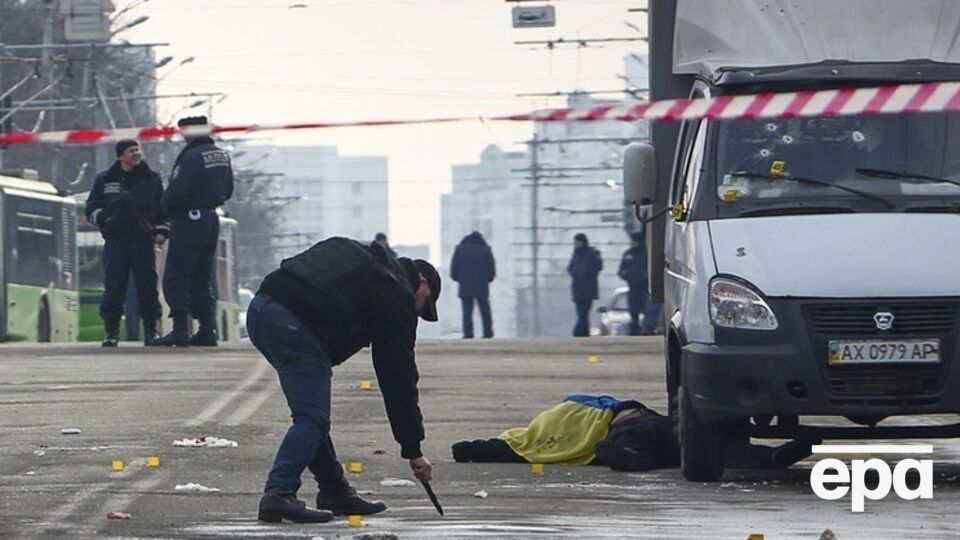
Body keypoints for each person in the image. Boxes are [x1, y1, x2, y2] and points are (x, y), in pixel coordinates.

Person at [249, 237, 441, 523]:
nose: (418, 312)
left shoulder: (364, 260)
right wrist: (413, 449)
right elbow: (397, 373)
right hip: (295, 325)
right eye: (424, 304)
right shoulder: (396, 289)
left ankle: (334, 490)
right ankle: (279, 493)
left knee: (311, 415)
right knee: (312, 419)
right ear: (421, 281)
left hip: (261, 311)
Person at [152, 116, 234, 347]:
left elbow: (177, 192)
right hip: (211, 218)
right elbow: (228, 190)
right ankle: (207, 329)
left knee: (177, 275)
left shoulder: (192, 156)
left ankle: (180, 330)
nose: (182, 136)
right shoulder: (221, 155)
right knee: (202, 276)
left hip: (189, 219)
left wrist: (164, 209)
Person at [85, 139, 167, 347]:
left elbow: (162, 209)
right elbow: (91, 208)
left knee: (148, 287)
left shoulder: (151, 179)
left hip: (142, 241)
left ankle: (151, 331)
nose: (136, 154)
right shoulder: (105, 179)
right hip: (117, 241)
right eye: (131, 151)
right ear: (120, 156)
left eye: (138, 150)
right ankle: (111, 331)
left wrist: (162, 231)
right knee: (114, 286)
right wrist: (104, 219)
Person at [450, 231, 496, 339]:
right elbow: (491, 269)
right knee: (485, 310)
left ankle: (468, 333)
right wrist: (488, 279)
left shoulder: (460, 250)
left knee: (467, 312)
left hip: (465, 285)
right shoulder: (486, 250)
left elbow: (454, 269)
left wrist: (458, 279)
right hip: (482, 286)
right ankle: (488, 332)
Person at [567, 232, 603, 337]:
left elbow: (597, 267)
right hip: (577, 288)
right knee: (580, 313)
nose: (576, 245)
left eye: (577, 242)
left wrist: (585, 273)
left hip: (588, 288)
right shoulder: (575, 254)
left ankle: (579, 332)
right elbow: (570, 268)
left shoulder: (591, 253)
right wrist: (575, 273)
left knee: (583, 312)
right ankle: (583, 332)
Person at [618, 231, 649, 336]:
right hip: (632, 287)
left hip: (644, 287)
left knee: (646, 308)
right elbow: (621, 270)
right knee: (633, 309)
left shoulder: (645, 254)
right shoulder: (628, 254)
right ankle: (634, 327)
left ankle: (646, 327)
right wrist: (626, 275)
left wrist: (645, 276)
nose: (632, 243)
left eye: (634, 241)